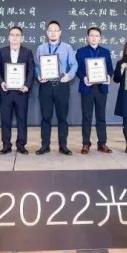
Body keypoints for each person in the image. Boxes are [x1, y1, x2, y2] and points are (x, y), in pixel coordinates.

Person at [35, 20, 77, 156]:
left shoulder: (67, 47)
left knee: (62, 117)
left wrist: (69, 76)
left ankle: (63, 145)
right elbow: (36, 66)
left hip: (61, 85)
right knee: (45, 117)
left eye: (55, 30)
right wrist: (38, 75)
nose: (53, 33)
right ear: (47, 32)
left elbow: (74, 64)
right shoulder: (41, 48)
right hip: (46, 86)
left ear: (60, 32)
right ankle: (45, 145)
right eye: (50, 30)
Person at [0, 26, 35, 155]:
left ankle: (21, 145)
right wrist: (2, 82)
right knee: (6, 120)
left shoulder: (27, 52)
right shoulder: (2, 51)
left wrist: (27, 85)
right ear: (8, 37)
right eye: (12, 35)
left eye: (17, 35)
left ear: (21, 38)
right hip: (6, 92)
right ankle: (6, 145)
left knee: (22, 119)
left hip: (22, 92)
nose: (15, 37)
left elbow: (31, 70)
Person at [75, 26, 113, 154]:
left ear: (100, 38)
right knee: (86, 117)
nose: (94, 38)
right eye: (91, 35)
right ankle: (86, 144)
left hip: (101, 89)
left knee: (101, 117)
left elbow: (110, 69)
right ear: (87, 37)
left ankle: (102, 143)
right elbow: (77, 70)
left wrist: (108, 76)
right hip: (87, 88)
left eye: (97, 36)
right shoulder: (81, 52)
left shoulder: (106, 52)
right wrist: (84, 77)